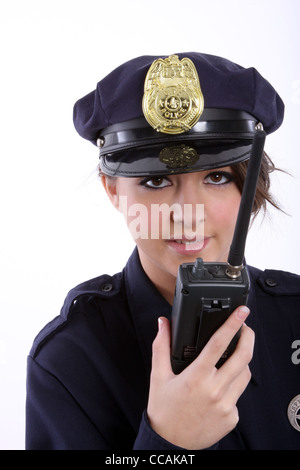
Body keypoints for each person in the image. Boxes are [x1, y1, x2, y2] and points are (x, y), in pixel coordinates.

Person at [25, 52, 300, 450]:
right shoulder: (69, 359)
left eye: (217, 177)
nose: (188, 216)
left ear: (251, 180)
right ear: (113, 189)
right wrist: (168, 442)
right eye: (155, 180)